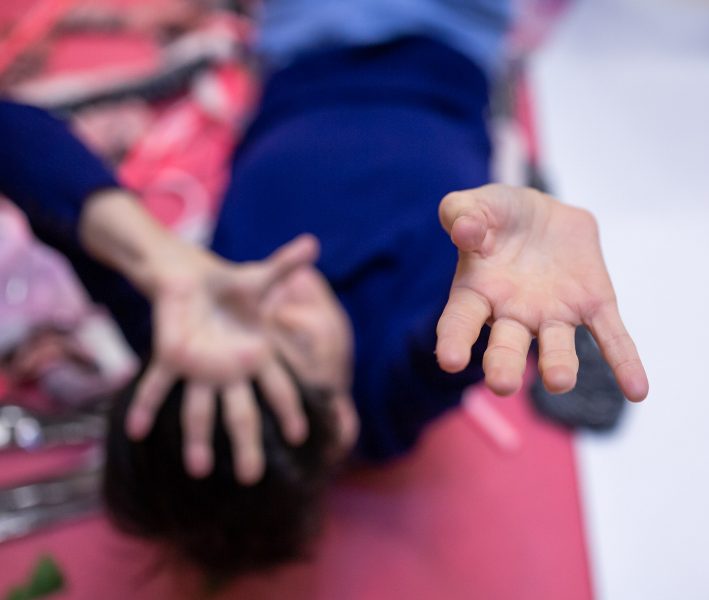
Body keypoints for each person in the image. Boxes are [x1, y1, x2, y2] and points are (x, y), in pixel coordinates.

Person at [0, 4, 648, 578]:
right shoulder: (384, 402)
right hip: (448, 34)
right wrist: (516, 262)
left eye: (246, 322)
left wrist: (157, 260)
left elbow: (16, 135)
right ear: (342, 421)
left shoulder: (189, 325)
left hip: (301, 38)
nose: (270, 300)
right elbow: (458, 340)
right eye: (293, 343)